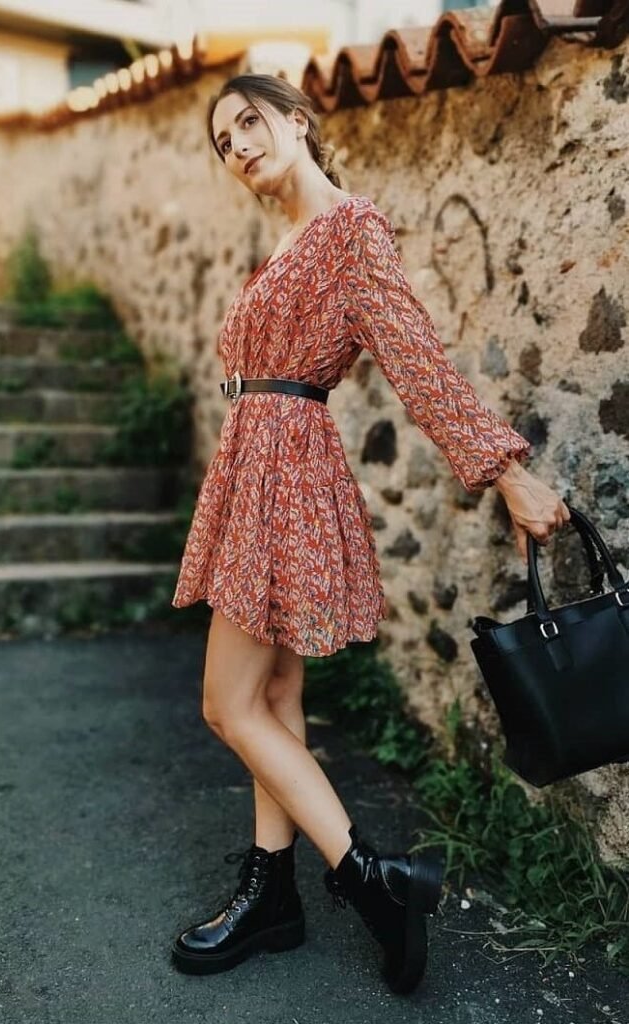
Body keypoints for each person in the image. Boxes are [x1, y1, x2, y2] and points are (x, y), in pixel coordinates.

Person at [169, 72, 570, 995]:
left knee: (225, 707)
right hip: (263, 464)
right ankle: (273, 894)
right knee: (270, 694)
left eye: (248, 123)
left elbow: (417, 361)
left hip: (283, 471)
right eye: (222, 141)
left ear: (298, 122)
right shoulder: (287, 243)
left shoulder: (349, 232)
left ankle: (371, 881)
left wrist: (503, 472)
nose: (236, 146)